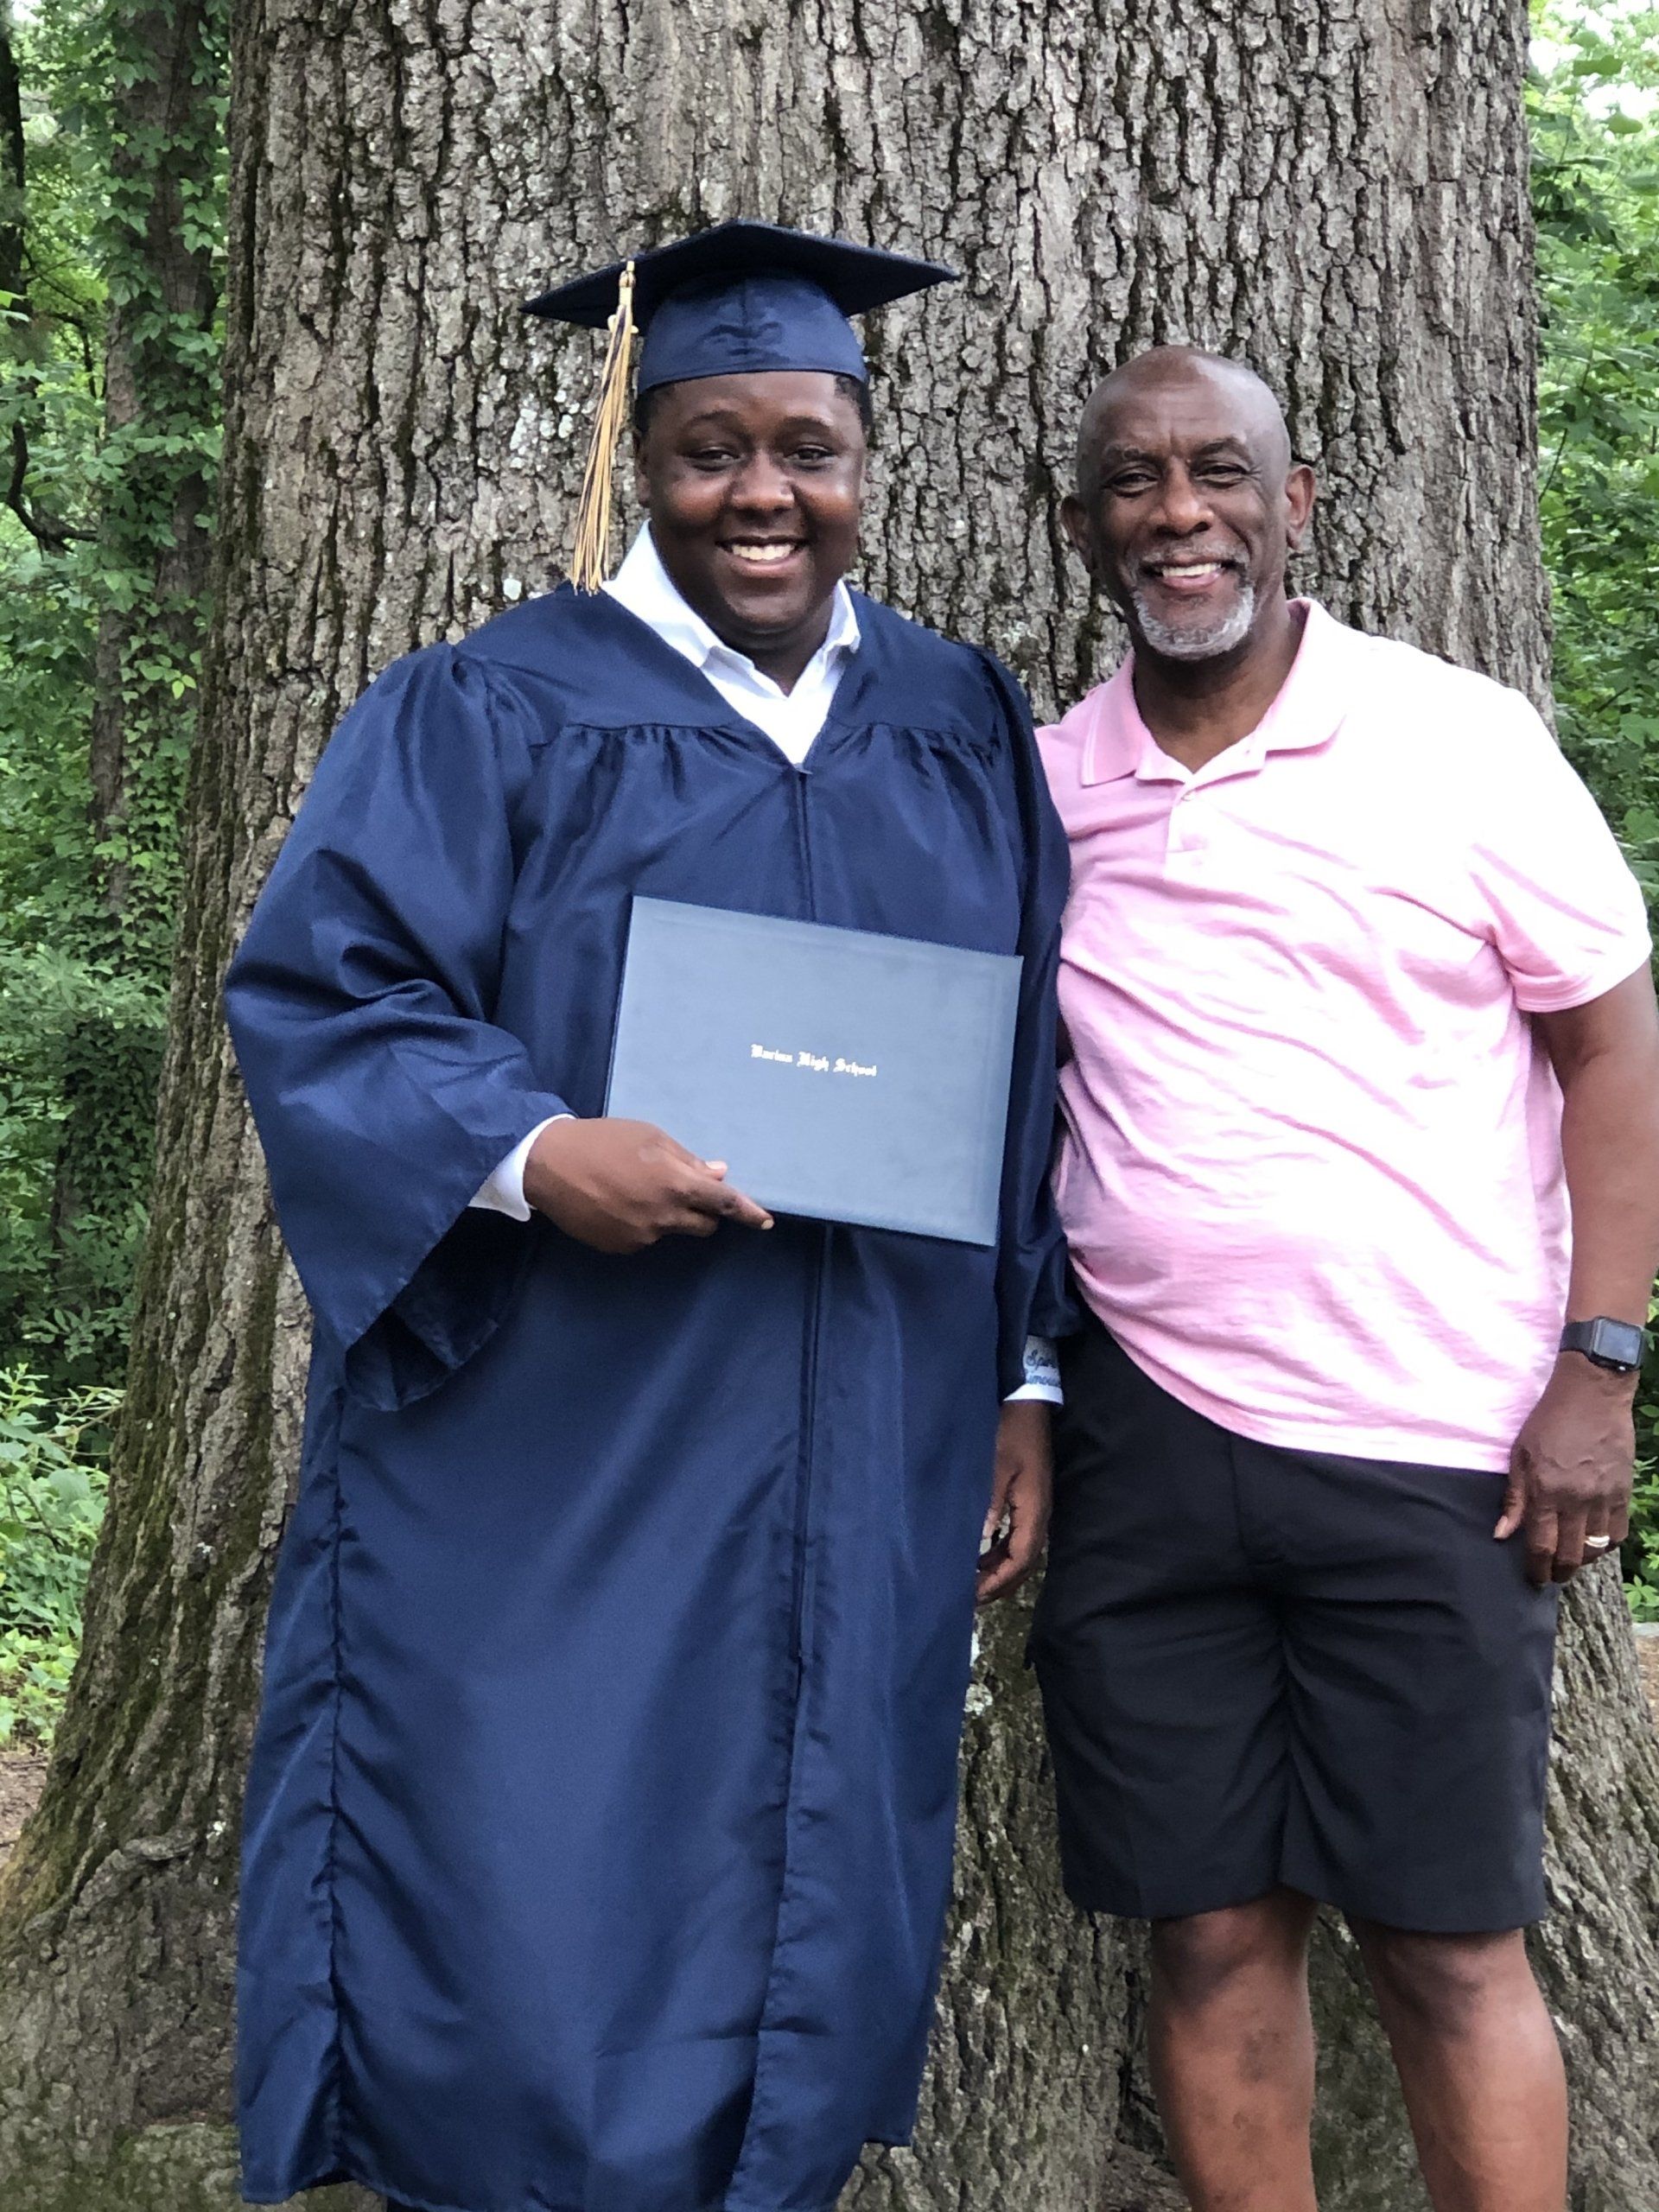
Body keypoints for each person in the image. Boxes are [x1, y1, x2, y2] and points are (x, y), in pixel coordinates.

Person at [225, 221, 1068, 2212]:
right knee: (539, 1829)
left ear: (868, 459)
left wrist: (1026, 1371)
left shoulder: (958, 716)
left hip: (873, 1398)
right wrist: (529, 1148)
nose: (762, 493)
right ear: (642, 449)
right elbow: (326, 989)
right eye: (707, 448)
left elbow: (1029, 1076)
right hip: (564, 1409)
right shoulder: (487, 706)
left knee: (805, 1830)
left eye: (807, 446)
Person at [1030, 344, 1659, 2212]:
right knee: (1208, 1932)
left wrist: (1601, 1367)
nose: (1178, 512)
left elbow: (1616, 1049)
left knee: (1444, 1940)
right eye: (1134, 484)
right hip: (1146, 1436)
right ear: (1085, 532)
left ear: (1294, 504)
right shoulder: (1054, 781)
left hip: (1437, 1443)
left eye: (1220, 471)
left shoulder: (1455, 737)